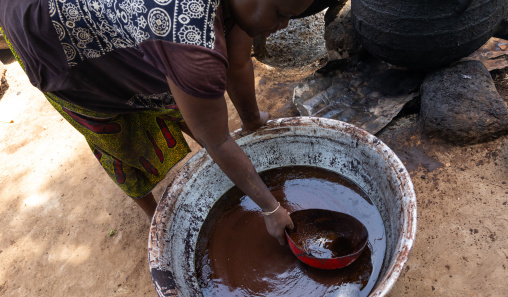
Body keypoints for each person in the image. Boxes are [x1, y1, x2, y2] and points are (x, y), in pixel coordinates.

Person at [0, 0, 332, 245]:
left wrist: (251, 120)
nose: (285, 25)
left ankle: (231, 172)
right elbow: (216, 138)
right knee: (115, 132)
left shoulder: (235, 15)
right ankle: (154, 215)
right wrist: (271, 210)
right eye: (280, 14)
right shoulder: (192, 41)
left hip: (116, 19)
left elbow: (238, 61)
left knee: (183, 99)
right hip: (49, 34)